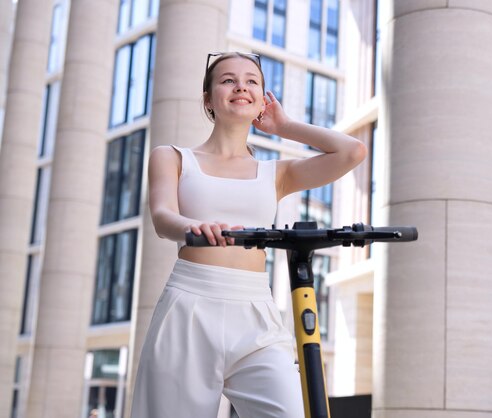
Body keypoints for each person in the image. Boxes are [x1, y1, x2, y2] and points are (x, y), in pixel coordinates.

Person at [130, 51, 366, 418]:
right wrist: (194, 227)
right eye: (227, 80)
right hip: (189, 305)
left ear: (261, 98)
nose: (240, 85)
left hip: (255, 311)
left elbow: (352, 152)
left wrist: (284, 126)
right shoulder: (173, 157)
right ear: (208, 98)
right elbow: (162, 217)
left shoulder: (275, 172)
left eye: (251, 80)